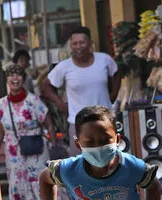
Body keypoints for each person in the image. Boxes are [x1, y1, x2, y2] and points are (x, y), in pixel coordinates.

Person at [39, 105, 160, 200]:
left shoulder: (132, 167)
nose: (98, 146)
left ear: (117, 139)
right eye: (90, 142)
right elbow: (45, 179)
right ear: (78, 144)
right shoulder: (69, 170)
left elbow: (153, 185)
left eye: (105, 140)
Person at [0, 65, 71, 200]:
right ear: (6, 80)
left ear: (23, 79)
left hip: (36, 149)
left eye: (18, 75)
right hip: (14, 152)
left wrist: (54, 145)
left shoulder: (34, 101)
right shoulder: (1, 105)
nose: (15, 79)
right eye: (11, 75)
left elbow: (49, 124)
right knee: (18, 186)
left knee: (39, 184)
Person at [41, 26, 121, 156]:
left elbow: (116, 73)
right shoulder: (65, 66)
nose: (79, 46)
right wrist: (60, 104)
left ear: (90, 43)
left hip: (105, 121)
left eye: (82, 42)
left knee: (109, 160)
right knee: (81, 164)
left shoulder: (104, 60)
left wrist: (113, 95)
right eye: (75, 43)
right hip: (78, 123)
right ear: (71, 46)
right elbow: (45, 85)